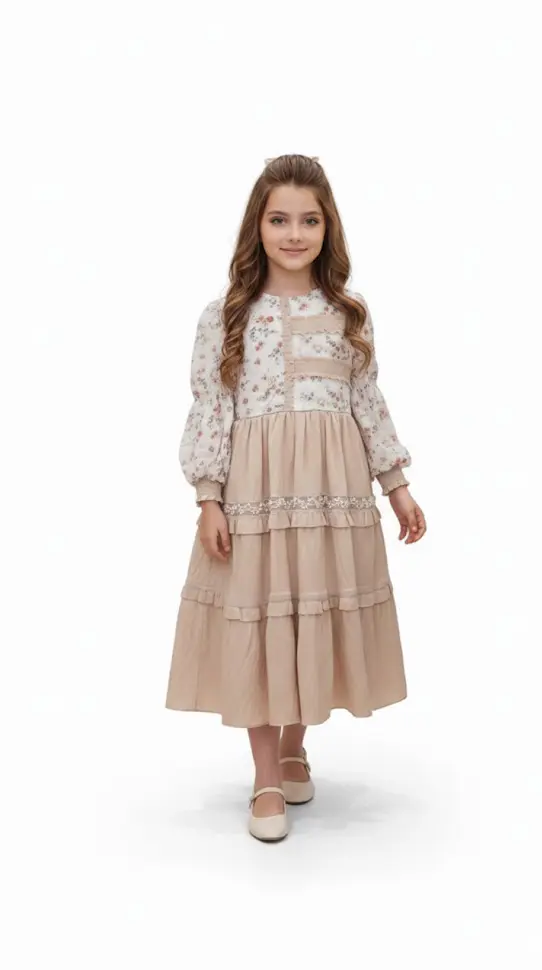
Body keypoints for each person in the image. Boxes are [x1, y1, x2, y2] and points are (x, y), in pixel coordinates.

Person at [165, 153, 427, 842]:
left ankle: (293, 744)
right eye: (279, 219)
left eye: (309, 220)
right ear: (256, 226)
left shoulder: (347, 313)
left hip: (332, 494)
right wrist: (209, 497)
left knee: (315, 616)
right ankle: (265, 777)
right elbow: (210, 408)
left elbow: (366, 402)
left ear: (327, 227)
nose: (293, 234)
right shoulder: (226, 316)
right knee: (259, 621)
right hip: (256, 492)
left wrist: (397, 487)